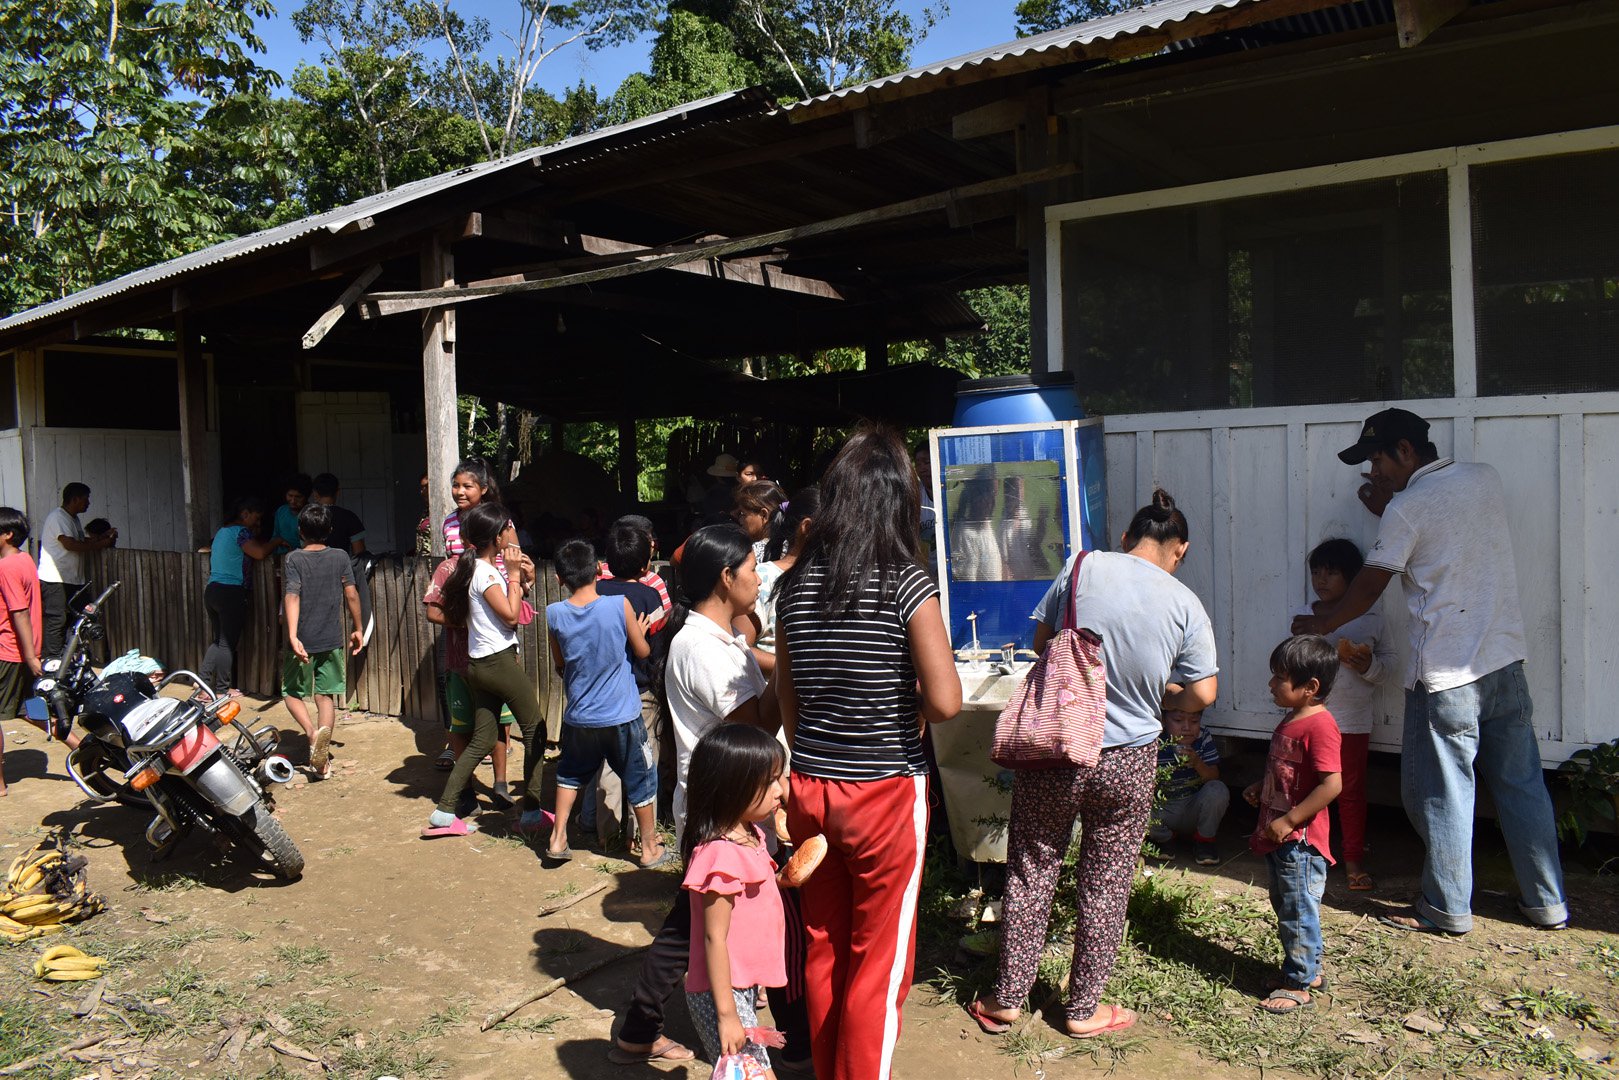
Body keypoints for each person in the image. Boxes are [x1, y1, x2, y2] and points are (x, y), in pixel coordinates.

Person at [1293, 408, 1567, 934]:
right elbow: (1444, 525)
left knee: (1437, 793)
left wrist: (1323, 619)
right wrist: (1396, 503)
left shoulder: (1406, 510)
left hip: (1446, 677)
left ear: (1406, 451)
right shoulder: (1484, 477)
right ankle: (1548, 902)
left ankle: (1446, 909)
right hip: (1505, 662)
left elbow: (1370, 586)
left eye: (1378, 458)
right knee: (1522, 785)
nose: (1374, 471)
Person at [970, 489, 1218, 1041]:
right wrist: (1161, 692)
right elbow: (1203, 693)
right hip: (1130, 757)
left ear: (1127, 539)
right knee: (1107, 881)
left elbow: (1042, 642)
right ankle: (1083, 1009)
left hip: (1059, 748)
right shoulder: (1186, 603)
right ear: (1180, 549)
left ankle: (1008, 998)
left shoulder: (1083, 566)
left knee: (1033, 865)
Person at [775, 425, 959, 1080]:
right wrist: (901, 706)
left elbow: (786, 698)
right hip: (883, 793)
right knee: (878, 966)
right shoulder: (907, 584)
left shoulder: (792, 587)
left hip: (809, 788)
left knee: (822, 951)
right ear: (899, 503)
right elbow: (945, 701)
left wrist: (814, 757)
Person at [612, 523, 773, 1068]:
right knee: (690, 927)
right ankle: (640, 1025)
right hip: (718, 814)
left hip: (726, 805)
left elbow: (752, 675)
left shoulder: (718, 637)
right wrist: (801, 663)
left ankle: (641, 1026)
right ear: (726, 578)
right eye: (751, 569)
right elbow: (753, 727)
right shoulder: (701, 648)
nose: (758, 578)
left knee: (694, 922)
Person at [425, 502, 548, 838]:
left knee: (481, 739)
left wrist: (521, 581)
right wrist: (512, 575)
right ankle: (533, 811)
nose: (514, 533)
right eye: (509, 528)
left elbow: (503, 611)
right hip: (497, 663)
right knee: (536, 728)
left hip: (478, 663)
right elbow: (510, 616)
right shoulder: (487, 573)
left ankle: (444, 812)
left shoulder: (471, 569)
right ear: (497, 536)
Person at [544, 539, 667, 868]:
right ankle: (650, 848)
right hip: (622, 714)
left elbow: (560, 663)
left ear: (559, 578)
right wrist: (637, 630)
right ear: (599, 569)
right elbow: (642, 652)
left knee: (569, 774)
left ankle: (558, 837)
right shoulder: (619, 605)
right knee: (639, 777)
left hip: (580, 715)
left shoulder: (554, 614)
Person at [681, 724, 790, 1077]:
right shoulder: (721, 856)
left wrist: (780, 881)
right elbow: (715, 937)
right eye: (770, 781)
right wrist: (727, 1016)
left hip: (739, 990)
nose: (781, 790)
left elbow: (749, 897)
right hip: (723, 995)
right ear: (734, 786)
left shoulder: (749, 834)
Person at [1243, 635, 1343, 1015]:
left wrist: (1289, 819)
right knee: (1286, 902)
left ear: (1310, 687)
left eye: (1280, 677)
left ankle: (1299, 982)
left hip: (1300, 841)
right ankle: (1305, 969)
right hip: (1280, 834)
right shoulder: (1292, 719)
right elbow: (1289, 773)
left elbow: (1331, 784)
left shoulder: (1320, 727)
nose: (1271, 684)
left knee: (1298, 908)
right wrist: (1261, 787)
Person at [1297, 538, 1392, 891]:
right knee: (1307, 788)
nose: (1321, 580)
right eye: (1316, 572)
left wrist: (1368, 665)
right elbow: (1290, 669)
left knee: (1350, 791)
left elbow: (1389, 668)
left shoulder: (1372, 621)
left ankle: (1353, 861)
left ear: (1353, 581)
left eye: (1332, 573)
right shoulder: (1304, 616)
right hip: (1309, 722)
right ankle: (1307, 853)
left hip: (1351, 722)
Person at [590, 522, 667, 849]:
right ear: (645, 565)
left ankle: (606, 832)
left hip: (603, 691)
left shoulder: (593, 592)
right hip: (640, 691)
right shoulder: (650, 596)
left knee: (608, 761)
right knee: (643, 759)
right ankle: (638, 835)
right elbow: (660, 645)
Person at [281, 504, 364, 778]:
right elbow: (352, 594)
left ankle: (311, 734)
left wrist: (293, 635)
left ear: (300, 531)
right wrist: (358, 627)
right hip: (331, 637)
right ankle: (322, 755)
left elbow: (292, 595)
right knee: (325, 695)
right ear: (329, 531)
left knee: (291, 693)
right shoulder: (340, 556)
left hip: (302, 639)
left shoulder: (293, 559)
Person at [433, 459, 503, 771]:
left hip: (491, 600)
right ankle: (461, 741)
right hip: (461, 603)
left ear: (484, 489)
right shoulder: (449, 521)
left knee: (493, 676)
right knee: (459, 674)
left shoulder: (496, 519)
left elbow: (508, 557)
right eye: (456, 485)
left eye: (467, 486)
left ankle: (496, 744)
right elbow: (451, 562)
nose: (459, 491)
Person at [201, 498, 285, 696]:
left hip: (212, 590)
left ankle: (202, 684)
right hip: (231, 592)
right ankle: (222, 690)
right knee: (227, 643)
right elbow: (259, 553)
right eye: (256, 518)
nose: (258, 524)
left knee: (219, 640)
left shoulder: (222, 531)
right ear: (245, 513)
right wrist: (277, 541)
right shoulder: (241, 532)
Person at [739, 486, 819, 677]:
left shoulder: (831, 577)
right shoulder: (762, 579)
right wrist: (796, 670)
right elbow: (739, 648)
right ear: (806, 528)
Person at [38, 483, 115, 657]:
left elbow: (81, 541)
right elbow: (71, 544)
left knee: (80, 617)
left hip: (72, 578)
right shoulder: (58, 517)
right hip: (55, 578)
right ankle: (53, 659)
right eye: (85, 499)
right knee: (58, 618)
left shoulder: (73, 519)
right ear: (75, 499)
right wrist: (102, 543)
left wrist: (103, 537)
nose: (88, 503)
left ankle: (69, 655)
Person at [1147, 706, 1228, 866]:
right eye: (1178, 720)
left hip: (1193, 809)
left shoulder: (1202, 737)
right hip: (1163, 809)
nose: (1187, 727)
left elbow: (1213, 776)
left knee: (1218, 789)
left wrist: (1198, 763)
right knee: (1137, 800)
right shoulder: (1155, 740)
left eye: (1194, 721)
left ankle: (1204, 840)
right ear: (1163, 721)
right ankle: (1164, 839)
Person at [0, 508, 44, 797]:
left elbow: (19, 613)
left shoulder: (5, 567)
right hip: (26, 651)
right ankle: (77, 743)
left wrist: (29, 656)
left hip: (9, 651)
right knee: (32, 707)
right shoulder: (25, 559)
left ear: (7, 535)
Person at [733, 480, 786, 567]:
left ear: (764, 514)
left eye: (743, 514)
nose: (740, 520)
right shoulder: (796, 545)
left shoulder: (752, 554)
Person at [309, 474, 365, 555]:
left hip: (312, 566)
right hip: (342, 566)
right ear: (338, 492)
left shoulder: (306, 517)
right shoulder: (349, 517)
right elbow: (359, 552)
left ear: (315, 493)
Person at [273, 474, 312, 551]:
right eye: (290, 496)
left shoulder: (312, 513)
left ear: (306, 496)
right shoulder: (281, 511)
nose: (293, 501)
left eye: (298, 497)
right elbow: (275, 537)